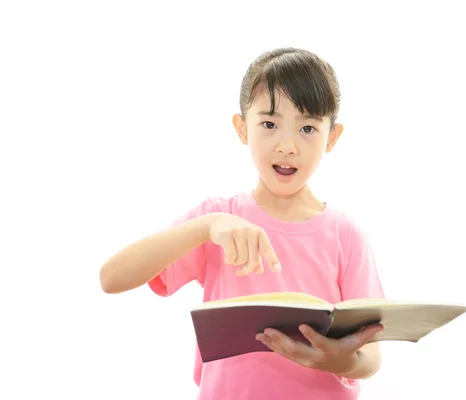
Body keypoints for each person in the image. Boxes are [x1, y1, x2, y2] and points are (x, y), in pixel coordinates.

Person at [99, 47, 386, 400]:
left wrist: (339, 360)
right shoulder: (218, 221)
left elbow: (370, 357)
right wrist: (204, 227)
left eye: (308, 128)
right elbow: (111, 278)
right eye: (269, 124)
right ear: (242, 128)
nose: (287, 146)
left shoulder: (346, 236)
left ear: (332, 137)